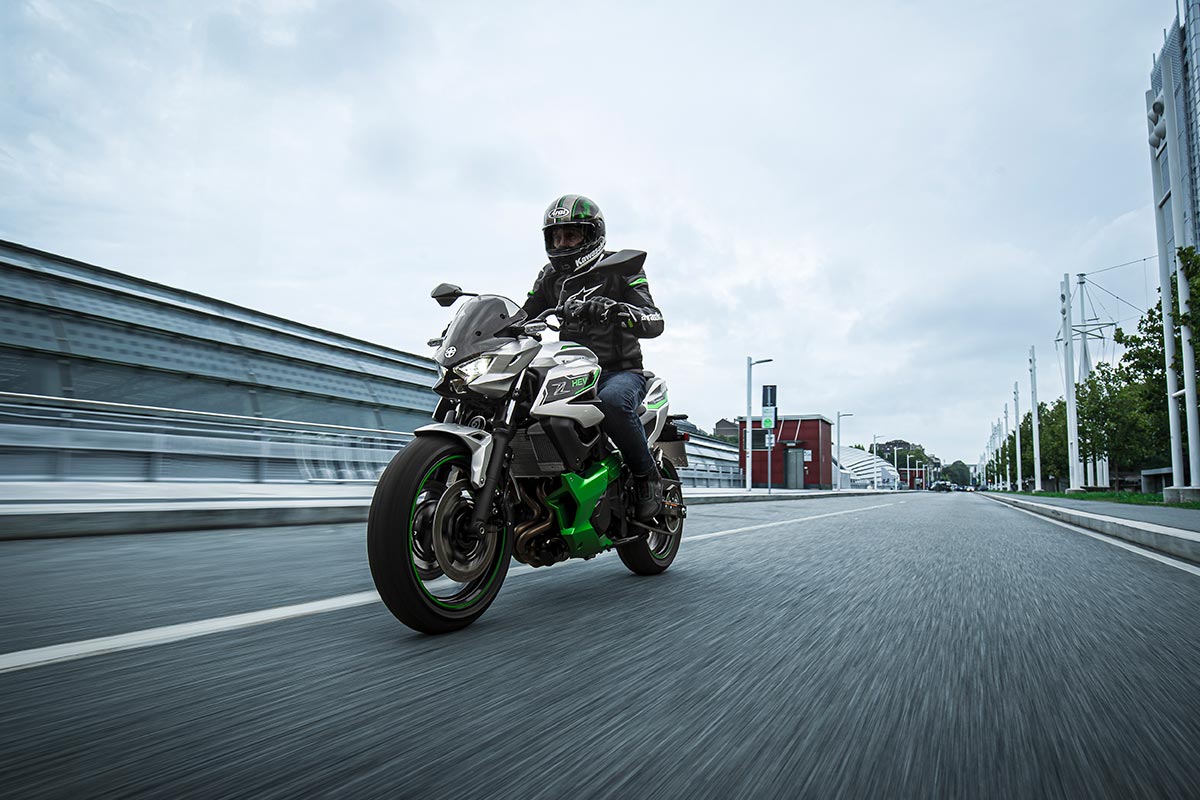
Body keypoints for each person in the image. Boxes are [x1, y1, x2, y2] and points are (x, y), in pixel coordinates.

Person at [521, 194, 666, 520]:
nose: (562, 243)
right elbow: (523, 313)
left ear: (591, 235)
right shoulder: (549, 276)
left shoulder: (622, 268)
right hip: (569, 369)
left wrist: (615, 311)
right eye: (556, 236)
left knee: (612, 402)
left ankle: (646, 478)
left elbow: (654, 319)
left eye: (570, 235)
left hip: (619, 372)